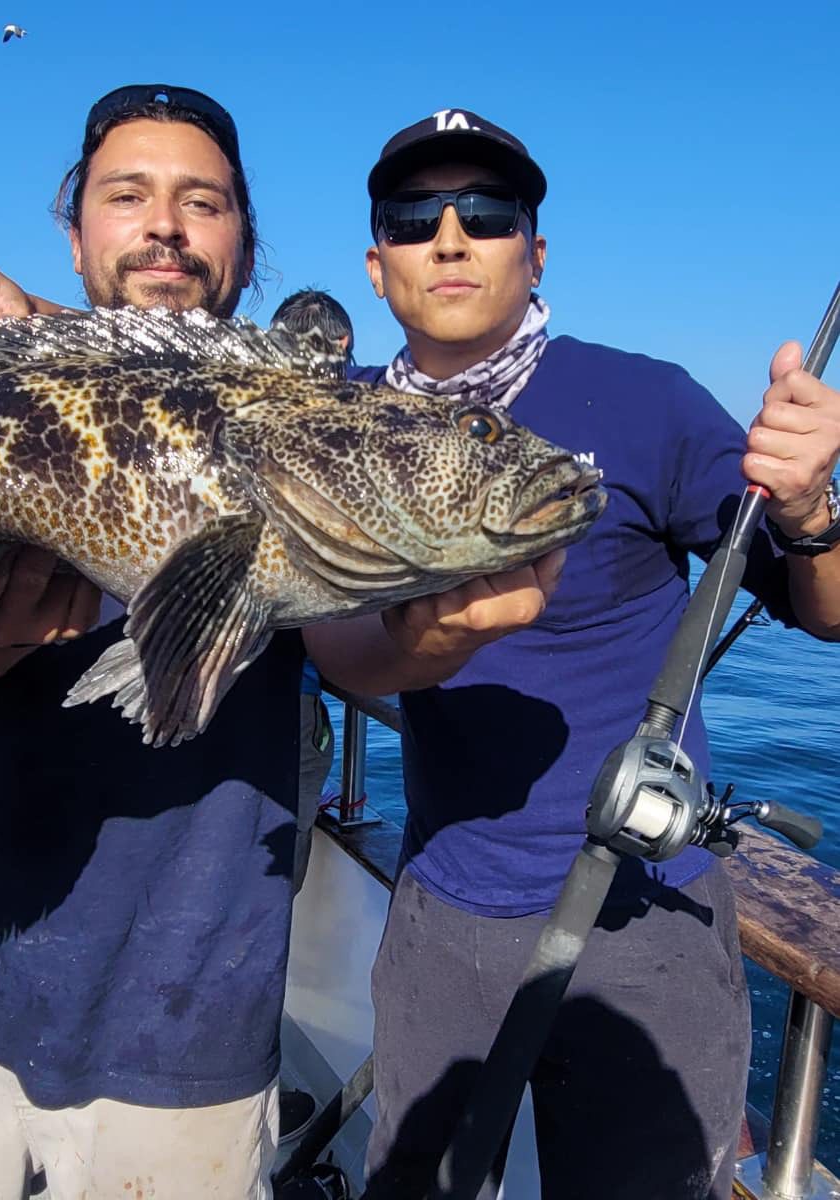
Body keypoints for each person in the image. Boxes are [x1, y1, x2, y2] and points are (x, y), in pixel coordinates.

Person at [0, 85, 564, 1200]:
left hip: (198, 1020)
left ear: (243, 239)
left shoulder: (300, 425)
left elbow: (342, 648)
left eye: (205, 202)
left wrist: (429, 646)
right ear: (75, 227)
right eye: (126, 195)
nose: (165, 227)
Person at [351, 109, 840, 1200]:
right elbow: (336, 651)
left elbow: (825, 612)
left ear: (534, 252)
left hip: (648, 914)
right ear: (375, 259)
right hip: (442, 907)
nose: (449, 235)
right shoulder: (341, 423)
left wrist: (811, 510)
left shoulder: (646, 400)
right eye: (413, 214)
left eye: (485, 211)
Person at [269, 288, 356, 894]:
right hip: (284, 701)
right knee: (275, 874)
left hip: (204, 687)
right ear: (344, 349)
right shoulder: (348, 436)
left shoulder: (226, 417)